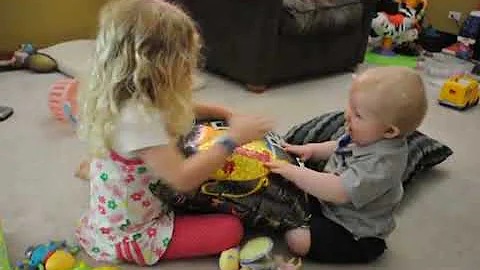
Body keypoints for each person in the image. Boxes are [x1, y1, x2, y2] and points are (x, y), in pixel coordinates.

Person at [75, 0, 273, 265]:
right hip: (135, 234)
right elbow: (182, 178)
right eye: (187, 60)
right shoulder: (138, 120)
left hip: (130, 201)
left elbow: (183, 108)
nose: (191, 67)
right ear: (160, 67)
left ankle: (102, 174)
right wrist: (232, 138)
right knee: (231, 229)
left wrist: (225, 112)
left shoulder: (127, 93)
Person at [266, 67, 427, 263]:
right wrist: (311, 150)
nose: (347, 115)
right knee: (286, 196)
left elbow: (339, 191)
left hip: (353, 231)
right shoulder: (367, 134)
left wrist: (295, 172)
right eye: (350, 106)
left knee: (296, 240)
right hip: (330, 204)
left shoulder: (382, 163)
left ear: (390, 131)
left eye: (358, 114)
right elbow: (339, 146)